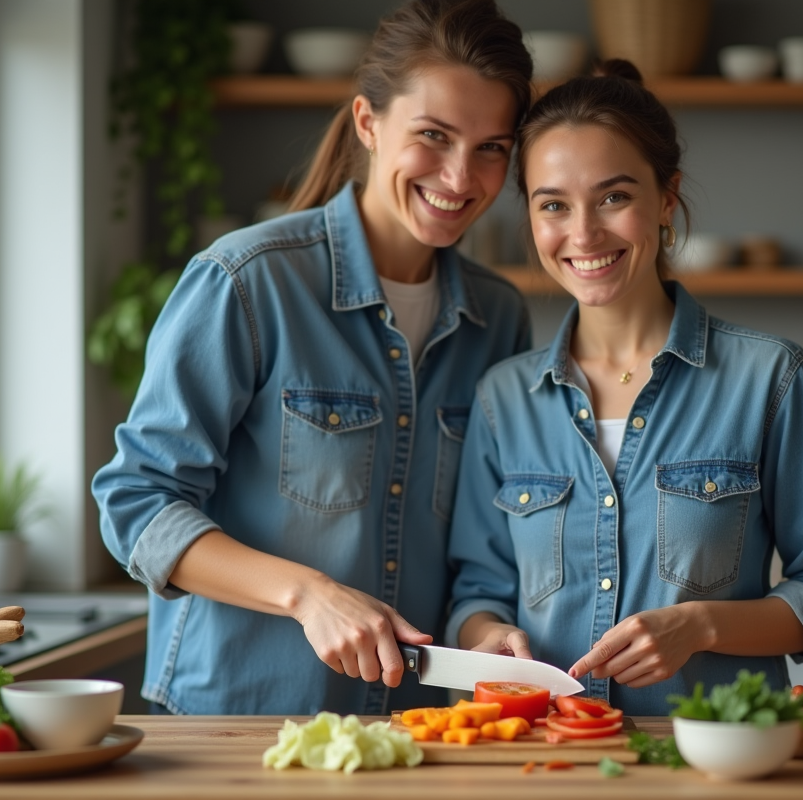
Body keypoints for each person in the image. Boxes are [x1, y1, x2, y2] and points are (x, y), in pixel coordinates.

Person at [92, 0, 534, 715]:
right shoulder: (247, 280)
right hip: (239, 717)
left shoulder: (499, 317)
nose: (460, 177)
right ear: (368, 123)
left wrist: (484, 627)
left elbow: (482, 544)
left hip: (414, 723)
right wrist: (309, 595)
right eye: (434, 136)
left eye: (491, 147)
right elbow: (137, 504)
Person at [445, 60, 803, 716]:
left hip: (716, 757)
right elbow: (476, 591)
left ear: (666, 197)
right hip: (546, 759)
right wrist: (488, 637)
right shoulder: (503, 399)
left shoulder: (772, 381)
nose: (583, 233)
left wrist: (703, 625)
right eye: (553, 204)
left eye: (614, 197)